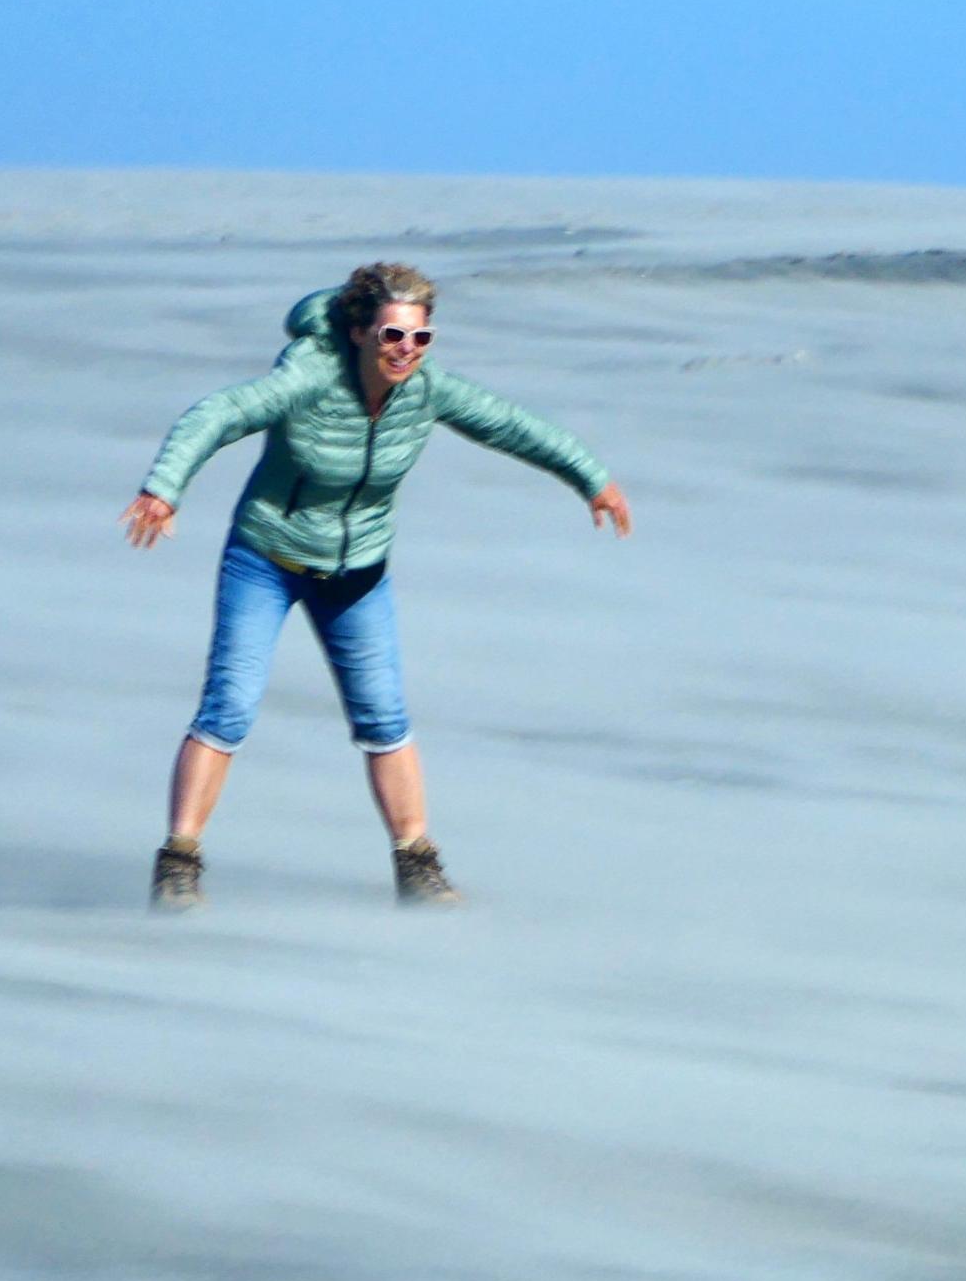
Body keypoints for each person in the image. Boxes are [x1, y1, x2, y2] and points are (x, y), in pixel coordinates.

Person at [125, 264, 631, 910]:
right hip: (266, 559)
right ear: (361, 331)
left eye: (421, 340)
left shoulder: (425, 391)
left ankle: (417, 866)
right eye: (393, 336)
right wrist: (163, 488)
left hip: (357, 573)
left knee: (385, 718)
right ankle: (178, 863)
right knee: (229, 707)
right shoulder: (311, 375)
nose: (406, 352)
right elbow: (220, 412)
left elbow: (511, 424)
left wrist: (592, 477)